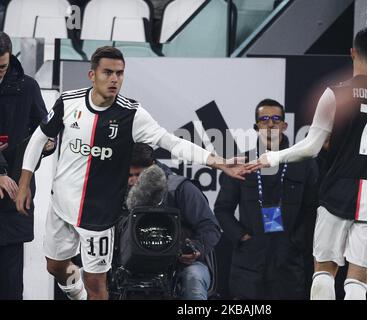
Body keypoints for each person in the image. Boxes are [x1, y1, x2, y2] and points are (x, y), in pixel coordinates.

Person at [14, 46, 247, 300]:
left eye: (120, 73)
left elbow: (173, 142)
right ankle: (78, 296)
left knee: (96, 282)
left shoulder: (132, 114)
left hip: (99, 214)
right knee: (55, 267)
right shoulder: (68, 102)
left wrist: (217, 161)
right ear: (92, 75)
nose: (114, 79)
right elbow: (40, 137)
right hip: (61, 204)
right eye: (108, 72)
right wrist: (24, 182)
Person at [249, 29, 367, 300]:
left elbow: (310, 147)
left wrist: (273, 157)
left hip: (337, 189)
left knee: (323, 271)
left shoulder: (335, 93)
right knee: (358, 279)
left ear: (352, 53)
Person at [214, 99, 318, 299]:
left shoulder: (304, 164)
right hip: (249, 261)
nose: (270, 124)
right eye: (264, 120)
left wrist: (297, 241)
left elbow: (313, 208)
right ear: (256, 127)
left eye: (276, 119)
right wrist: (241, 236)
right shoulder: (242, 163)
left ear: (284, 125)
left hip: (289, 261)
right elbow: (222, 209)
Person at [125, 143, 221, 300]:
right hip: (130, 263)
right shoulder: (115, 191)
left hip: (181, 263)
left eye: (139, 175)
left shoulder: (179, 188)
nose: (133, 181)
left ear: (152, 168)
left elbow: (210, 227)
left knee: (193, 278)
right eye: (129, 175)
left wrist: (195, 249)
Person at [0, 31, 54, 299]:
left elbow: (44, 129)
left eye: (2, 67)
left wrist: (47, 145)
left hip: (14, 195)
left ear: (10, 59)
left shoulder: (28, 87)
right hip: (6, 183)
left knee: (10, 283)